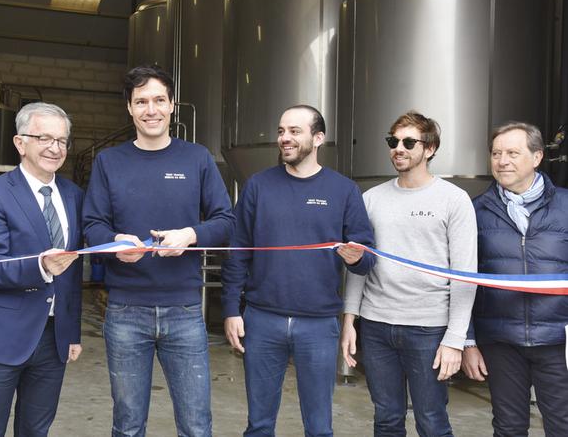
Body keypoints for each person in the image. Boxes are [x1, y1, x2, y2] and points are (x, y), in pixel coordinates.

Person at [83, 64, 234, 437]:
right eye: (141, 101)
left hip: (183, 310)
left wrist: (191, 234)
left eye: (159, 100)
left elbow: (226, 220)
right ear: (129, 109)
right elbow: (92, 225)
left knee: (197, 425)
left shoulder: (197, 158)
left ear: (172, 106)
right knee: (129, 424)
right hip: (124, 312)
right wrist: (115, 243)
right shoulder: (108, 162)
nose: (151, 109)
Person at [220, 105, 376, 437]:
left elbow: (366, 259)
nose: (285, 138)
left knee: (319, 427)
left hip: (318, 325)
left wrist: (354, 257)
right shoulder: (258, 187)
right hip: (262, 320)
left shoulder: (343, 190)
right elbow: (237, 252)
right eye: (281, 131)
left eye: (294, 131)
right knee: (259, 425)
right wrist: (233, 309)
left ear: (318, 138)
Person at [341, 112, 478, 437]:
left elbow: (465, 275)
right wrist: (350, 319)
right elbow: (361, 266)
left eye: (408, 142)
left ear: (429, 148)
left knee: (432, 422)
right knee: (386, 419)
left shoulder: (454, 200)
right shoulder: (371, 199)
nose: (398, 148)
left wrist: (455, 339)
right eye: (393, 142)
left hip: (428, 330)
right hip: (376, 329)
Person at [0, 102, 84, 437]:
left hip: (53, 339)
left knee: (36, 430)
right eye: (44, 138)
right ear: (20, 143)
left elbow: (74, 270)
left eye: (61, 141)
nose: (54, 148)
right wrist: (40, 265)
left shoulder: (74, 195)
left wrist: (71, 330)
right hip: (1, 335)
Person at [462, 122, 568, 437]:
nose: (502, 160)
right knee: (508, 428)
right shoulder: (475, 211)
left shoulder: (565, 206)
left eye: (512, 153)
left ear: (537, 157)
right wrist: (468, 341)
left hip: (557, 341)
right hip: (500, 340)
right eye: (496, 153)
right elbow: (462, 280)